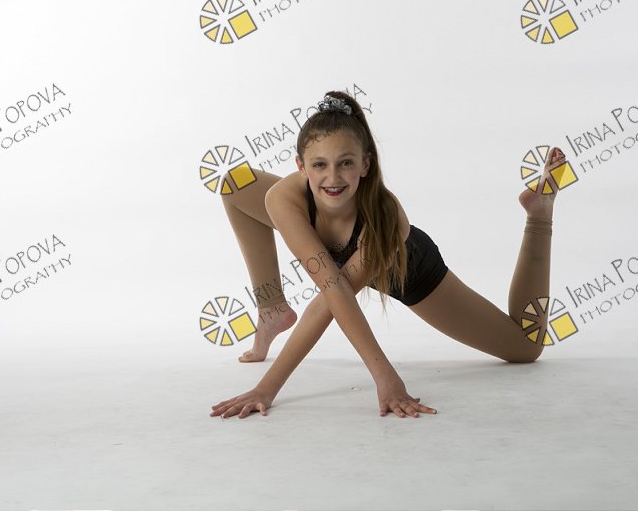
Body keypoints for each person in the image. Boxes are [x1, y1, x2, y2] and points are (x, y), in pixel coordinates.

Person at [211, 91, 565, 419]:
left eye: (345, 163)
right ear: (301, 166)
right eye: (319, 165)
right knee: (235, 184)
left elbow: (333, 298)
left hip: (410, 270)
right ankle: (271, 309)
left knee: (527, 346)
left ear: (365, 165)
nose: (332, 177)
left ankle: (539, 213)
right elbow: (333, 286)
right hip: (339, 267)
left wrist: (383, 377)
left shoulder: (388, 217)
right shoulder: (283, 197)